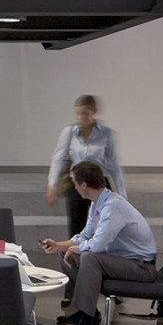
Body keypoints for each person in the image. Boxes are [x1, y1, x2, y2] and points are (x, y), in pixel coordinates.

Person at [39, 161, 158, 325]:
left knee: (89, 257)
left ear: (84, 185)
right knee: (66, 254)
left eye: (74, 182)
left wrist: (71, 248)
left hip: (141, 267)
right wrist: (60, 246)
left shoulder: (113, 206)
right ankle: (89, 313)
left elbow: (97, 245)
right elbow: (86, 235)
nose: (74, 186)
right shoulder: (97, 204)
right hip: (123, 260)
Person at [45, 93, 125, 237]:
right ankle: (75, 258)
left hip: (99, 183)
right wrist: (52, 185)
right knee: (77, 227)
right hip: (77, 183)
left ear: (94, 112)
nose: (82, 117)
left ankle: (99, 258)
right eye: (78, 113)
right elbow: (58, 157)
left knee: (103, 225)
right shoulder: (69, 132)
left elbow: (114, 164)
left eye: (86, 113)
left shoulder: (106, 134)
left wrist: (122, 192)